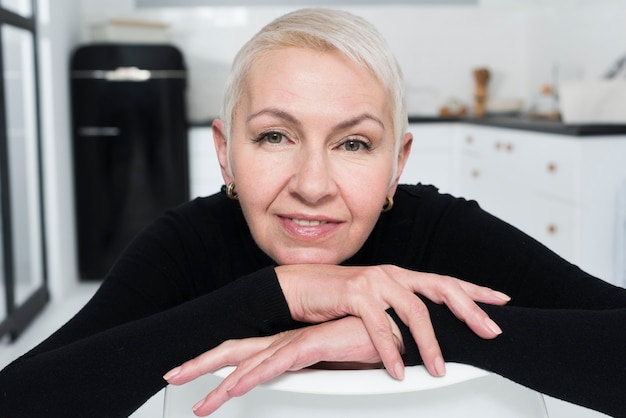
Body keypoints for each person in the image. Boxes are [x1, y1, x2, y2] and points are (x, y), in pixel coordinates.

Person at [1, 8, 625, 418]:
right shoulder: (187, 244)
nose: (313, 184)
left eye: (354, 143)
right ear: (225, 153)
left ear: (396, 163)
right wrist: (279, 292)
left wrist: (415, 328)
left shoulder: (439, 231)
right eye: (275, 136)